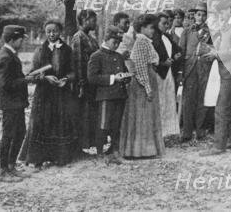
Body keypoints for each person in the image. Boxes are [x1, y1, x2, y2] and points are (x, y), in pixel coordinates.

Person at [20, 20, 79, 169]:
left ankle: (59, 157)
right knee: (42, 124)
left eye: (55, 31)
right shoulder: (40, 50)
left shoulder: (67, 50)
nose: (52, 34)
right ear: (45, 33)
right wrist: (45, 78)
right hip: (44, 95)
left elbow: (73, 71)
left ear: (61, 32)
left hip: (61, 95)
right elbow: (31, 75)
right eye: (49, 32)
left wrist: (67, 79)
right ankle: (38, 158)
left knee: (59, 124)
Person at [200, 0, 231, 156]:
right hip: (230, 71)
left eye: (222, 11)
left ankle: (218, 146)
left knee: (221, 107)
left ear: (230, 10)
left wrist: (216, 54)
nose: (220, 15)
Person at [0, 25, 41, 182]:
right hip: (10, 103)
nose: (22, 42)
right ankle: (3, 170)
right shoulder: (5, 57)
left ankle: (11, 166)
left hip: (16, 103)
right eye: (20, 39)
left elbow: (13, 78)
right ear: (12, 39)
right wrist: (27, 80)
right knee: (8, 135)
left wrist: (26, 77)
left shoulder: (10, 54)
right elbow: (6, 84)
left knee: (20, 133)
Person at [120, 14, 165, 158]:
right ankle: (139, 150)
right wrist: (147, 87)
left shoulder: (146, 41)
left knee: (147, 115)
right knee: (142, 115)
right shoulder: (141, 42)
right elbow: (139, 67)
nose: (153, 30)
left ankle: (146, 149)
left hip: (147, 77)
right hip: (141, 83)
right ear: (142, 28)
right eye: (151, 28)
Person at [87, 26, 131, 164]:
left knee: (116, 125)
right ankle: (100, 154)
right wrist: (113, 78)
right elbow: (92, 77)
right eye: (114, 41)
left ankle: (114, 152)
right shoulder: (96, 56)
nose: (116, 45)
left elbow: (125, 71)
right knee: (103, 125)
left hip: (120, 95)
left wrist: (126, 77)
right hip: (105, 96)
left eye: (119, 42)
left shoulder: (118, 56)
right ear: (106, 39)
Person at [178, 2, 214, 142]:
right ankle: (186, 132)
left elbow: (213, 48)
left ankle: (200, 131)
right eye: (199, 14)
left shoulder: (211, 31)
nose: (201, 17)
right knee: (188, 101)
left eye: (204, 14)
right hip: (189, 69)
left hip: (205, 68)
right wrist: (180, 72)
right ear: (194, 16)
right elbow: (181, 52)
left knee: (202, 100)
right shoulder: (187, 31)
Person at [71, 9, 101, 155]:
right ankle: (79, 146)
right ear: (85, 19)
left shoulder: (90, 37)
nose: (95, 23)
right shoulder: (78, 38)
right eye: (93, 20)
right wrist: (81, 85)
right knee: (83, 114)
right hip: (84, 84)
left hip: (93, 83)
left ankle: (87, 144)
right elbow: (78, 63)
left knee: (90, 114)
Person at [152, 12, 181, 139]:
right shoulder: (153, 38)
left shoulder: (167, 37)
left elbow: (177, 49)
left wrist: (175, 56)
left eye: (167, 23)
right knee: (159, 102)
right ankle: (158, 133)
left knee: (168, 101)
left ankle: (168, 133)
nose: (166, 25)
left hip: (168, 73)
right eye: (163, 23)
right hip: (158, 74)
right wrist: (163, 63)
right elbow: (152, 59)